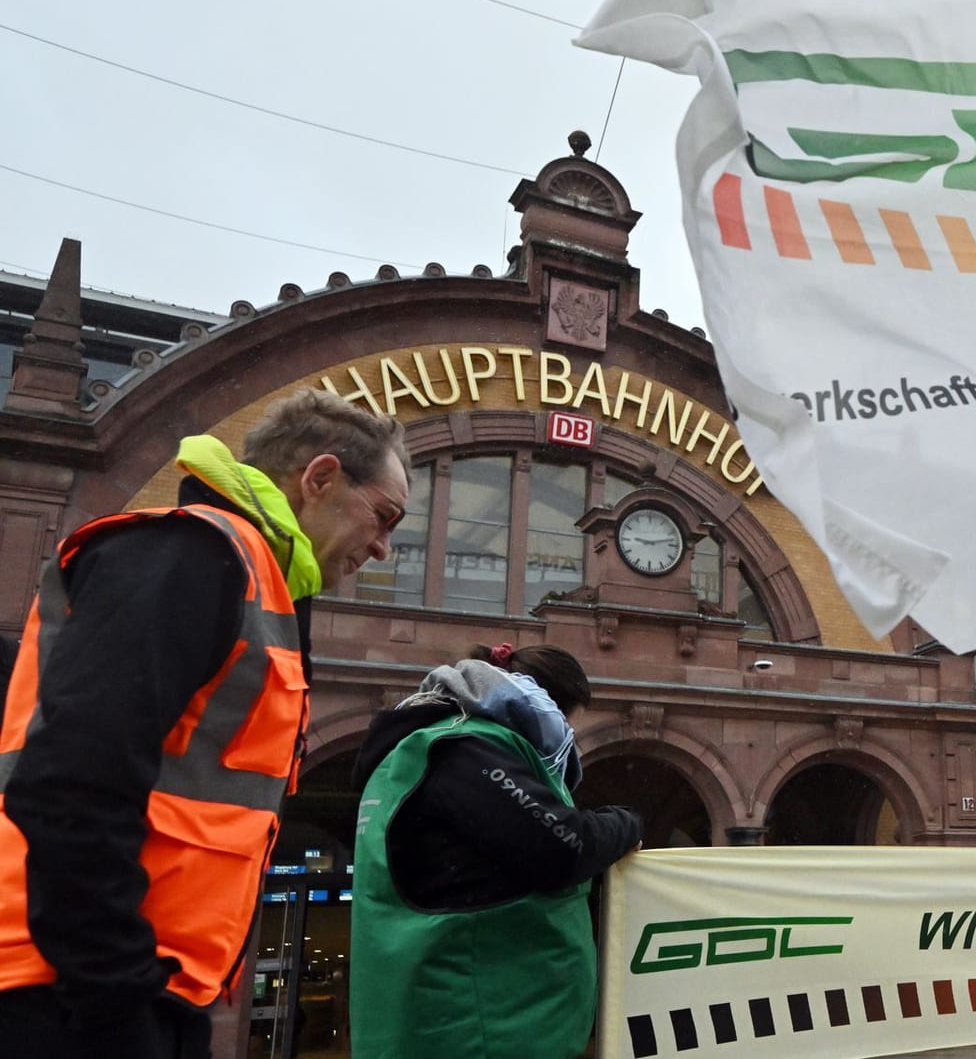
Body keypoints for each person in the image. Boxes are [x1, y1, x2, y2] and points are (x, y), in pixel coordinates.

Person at [0, 388, 409, 1059]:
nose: (385, 549)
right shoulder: (192, 552)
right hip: (65, 991)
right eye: (384, 517)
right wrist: (119, 996)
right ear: (320, 478)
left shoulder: (255, 577)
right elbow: (72, 780)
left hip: (135, 987)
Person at [349, 642, 643, 1059]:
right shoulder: (463, 748)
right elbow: (563, 847)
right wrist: (627, 822)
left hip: (450, 1019)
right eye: (566, 720)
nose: (566, 735)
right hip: (478, 1026)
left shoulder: (430, 747)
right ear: (542, 701)